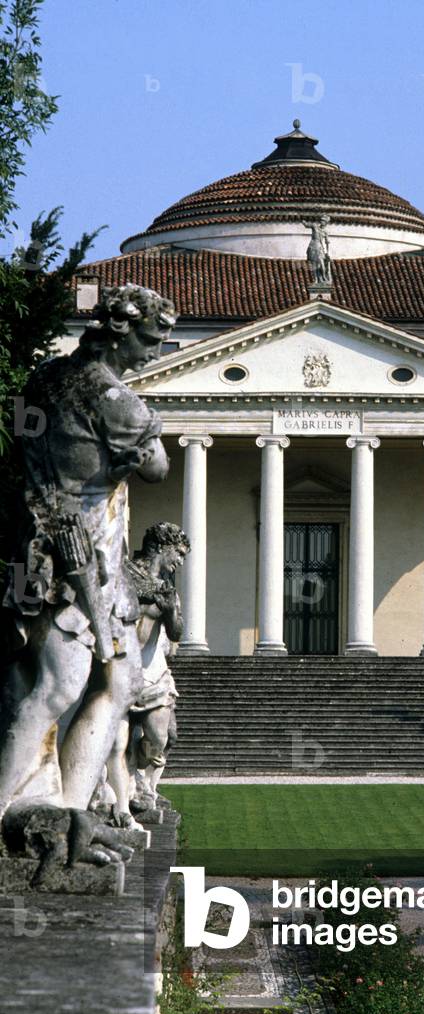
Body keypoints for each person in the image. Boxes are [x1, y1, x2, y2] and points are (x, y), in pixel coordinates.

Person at [0, 284, 176, 826]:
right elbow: (158, 469)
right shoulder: (119, 403)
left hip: (33, 538)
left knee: (108, 683)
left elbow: (21, 433)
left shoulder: (43, 380)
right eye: (151, 339)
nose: (157, 352)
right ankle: (10, 804)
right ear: (119, 334)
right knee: (58, 688)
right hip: (83, 550)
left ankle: (71, 812)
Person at [106, 522, 190, 823]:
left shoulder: (168, 587)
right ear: (162, 546)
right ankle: (124, 796)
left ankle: (139, 774)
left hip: (153, 670)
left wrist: (169, 609)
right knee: (115, 741)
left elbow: (177, 631)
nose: (179, 561)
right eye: (178, 554)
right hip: (120, 666)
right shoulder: (125, 575)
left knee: (159, 736)